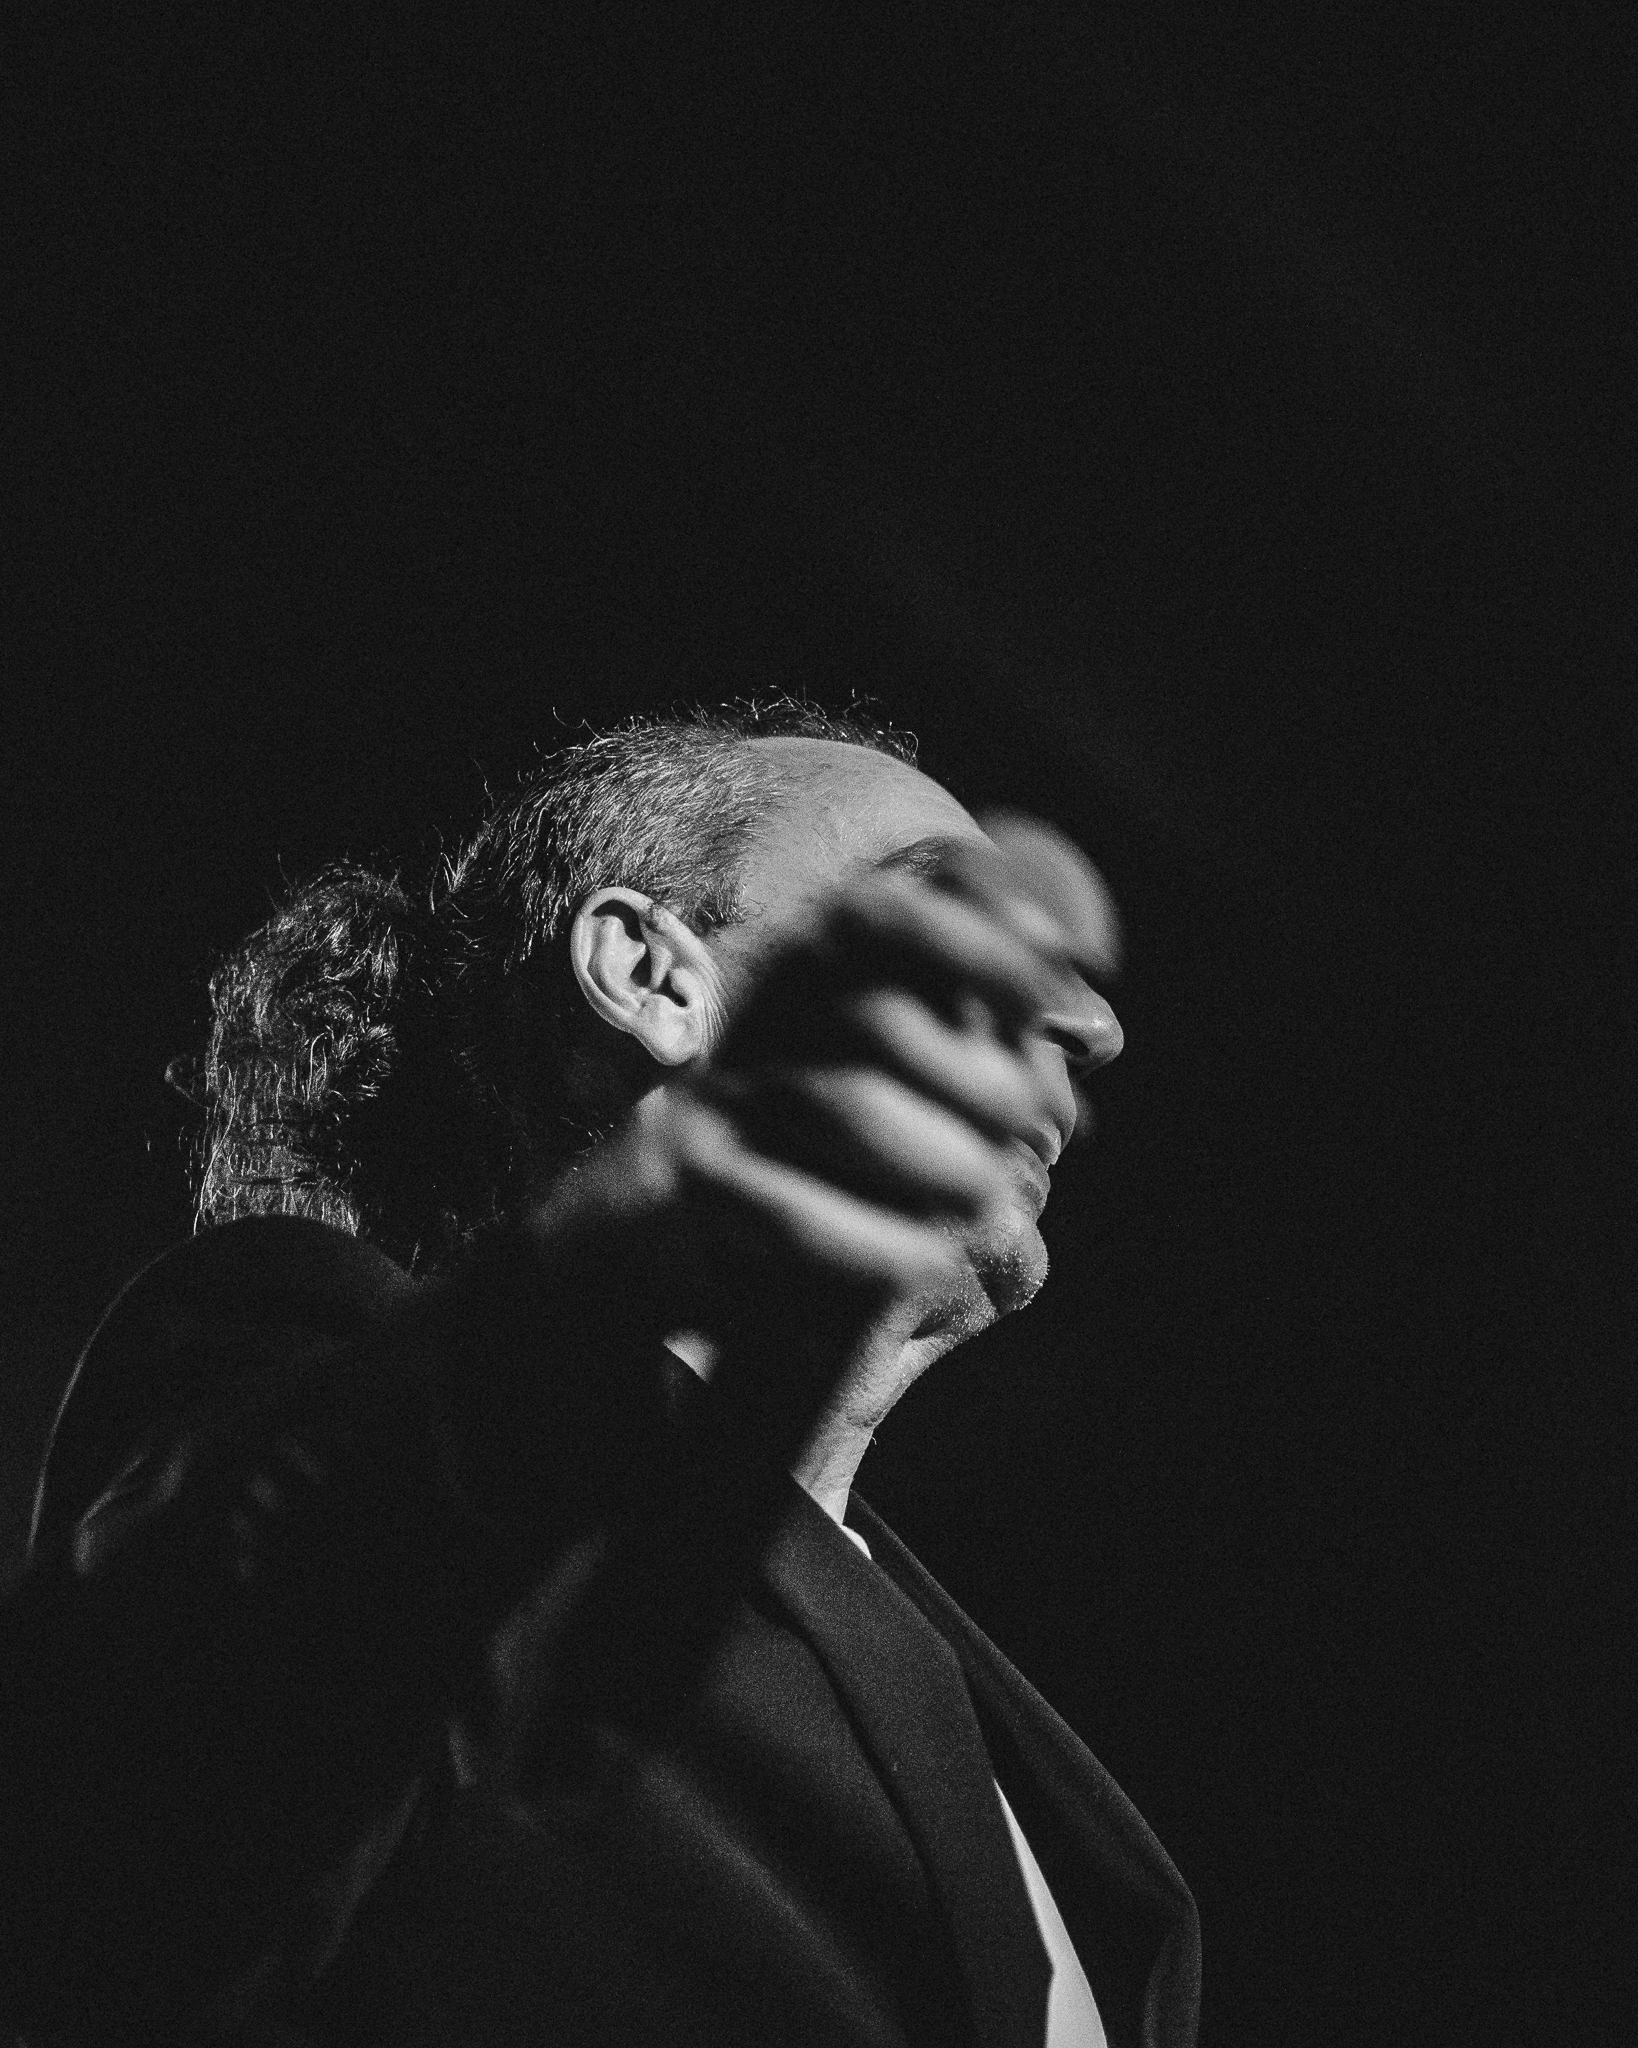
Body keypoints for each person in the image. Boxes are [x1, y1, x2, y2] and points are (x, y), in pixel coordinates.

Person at [0, 702, 1200, 2047]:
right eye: (942, 904)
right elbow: (98, 1851)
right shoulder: (335, 1374)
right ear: (650, 976)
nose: (1091, 1022)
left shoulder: (1046, 1795)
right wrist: (610, 1265)